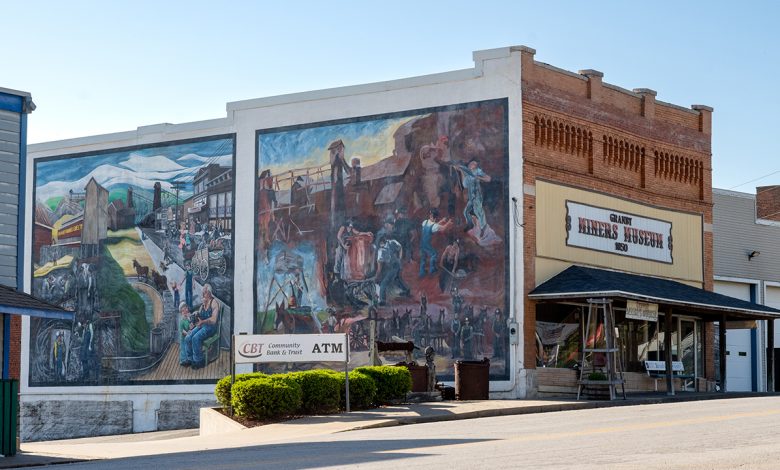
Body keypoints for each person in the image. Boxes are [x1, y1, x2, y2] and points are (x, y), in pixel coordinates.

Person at [183, 284, 220, 369]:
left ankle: (198, 361)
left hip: (211, 327)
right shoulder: (203, 303)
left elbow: (214, 320)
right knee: (188, 337)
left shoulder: (214, 303)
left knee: (196, 338)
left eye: (205, 292)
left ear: (210, 293)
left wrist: (202, 321)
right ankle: (190, 359)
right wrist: (194, 318)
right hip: (202, 325)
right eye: (203, 292)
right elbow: (198, 314)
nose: (203, 294)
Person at [456, 159, 492, 235]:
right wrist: (461, 172)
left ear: (475, 166)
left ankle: (483, 228)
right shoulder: (468, 174)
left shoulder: (478, 171)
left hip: (477, 196)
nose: (471, 165)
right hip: (471, 197)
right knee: (466, 212)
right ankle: (470, 224)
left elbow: (488, 179)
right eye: (470, 164)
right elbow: (465, 185)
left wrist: (479, 178)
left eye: (473, 164)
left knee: (478, 212)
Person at [375, 236, 409, 305]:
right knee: (397, 279)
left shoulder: (392, 242)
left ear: (383, 242)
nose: (381, 245)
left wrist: (399, 258)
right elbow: (380, 264)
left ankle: (382, 300)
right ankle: (406, 290)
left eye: (382, 243)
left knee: (383, 283)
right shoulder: (381, 250)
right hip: (391, 266)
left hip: (396, 265)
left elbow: (400, 247)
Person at [419, 209, 453, 277]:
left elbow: (434, 225)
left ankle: (421, 272)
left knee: (423, 257)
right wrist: (448, 223)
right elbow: (443, 228)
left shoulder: (425, 222)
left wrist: (442, 221)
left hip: (422, 243)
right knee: (434, 254)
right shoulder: (434, 226)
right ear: (435, 218)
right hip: (427, 244)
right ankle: (432, 270)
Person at [178, 302, 194, 366]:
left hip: (188, 335)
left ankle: (188, 359)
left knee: (188, 347)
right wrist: (187, 333)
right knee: (183, 348)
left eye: (186, 309)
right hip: (183, 337)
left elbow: (190, 325)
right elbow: (181, 330)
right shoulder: (182, 320)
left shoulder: (188, 318)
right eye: (183, 310)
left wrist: (191, 325)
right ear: (181, 312)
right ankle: (183, 360)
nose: (185, 311)